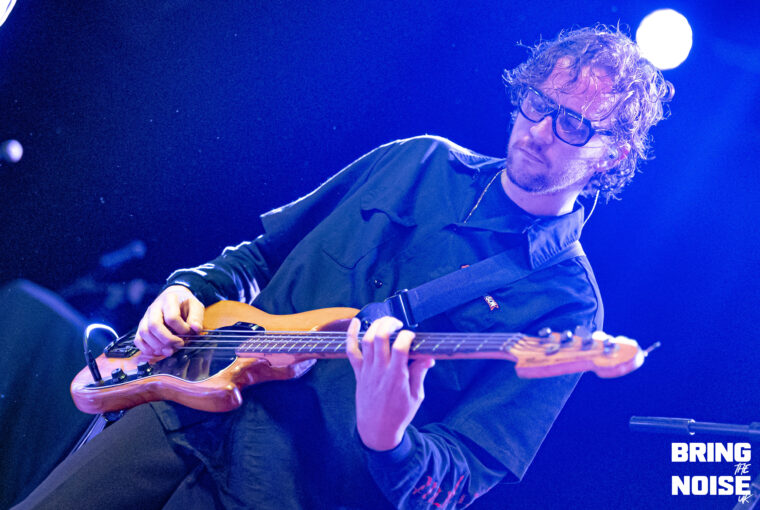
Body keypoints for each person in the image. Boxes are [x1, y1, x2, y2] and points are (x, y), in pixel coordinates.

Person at [14, 24, 673, 509]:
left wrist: (389, 437)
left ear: (614, 155)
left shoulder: (568, 306)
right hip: (178, 417)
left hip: (284, 494)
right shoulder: (415, 160)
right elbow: (258, 257)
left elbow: (451, 484)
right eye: (537, 104)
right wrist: (186, 290)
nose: (538, 131)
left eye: (572, 125)